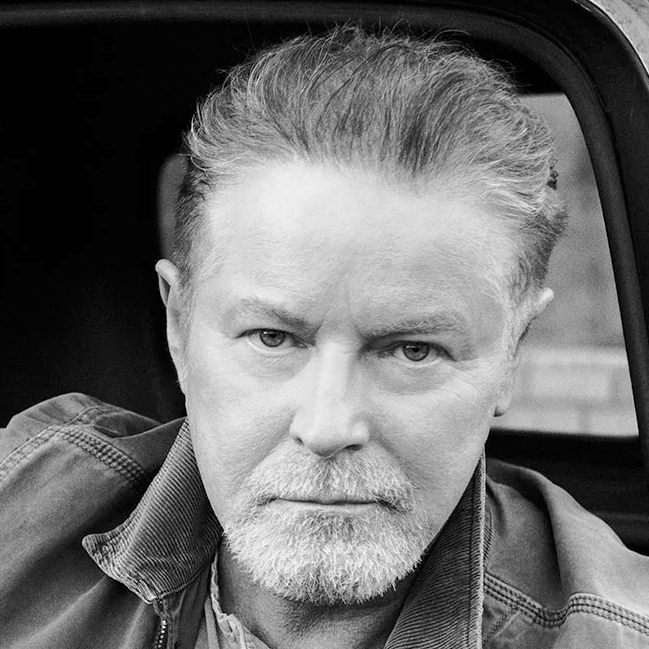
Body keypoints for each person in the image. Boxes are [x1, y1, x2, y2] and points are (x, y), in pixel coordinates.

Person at [2, 25, 649, 649]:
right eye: (271, 338)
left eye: (412, 350)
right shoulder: (18, 504)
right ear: (178, 326)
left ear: (511, 355)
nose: (326, 426)